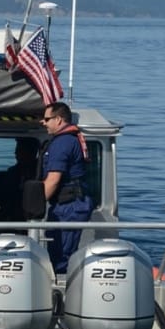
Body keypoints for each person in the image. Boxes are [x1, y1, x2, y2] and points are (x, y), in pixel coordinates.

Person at [41, 103, 93, 273]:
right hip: (67, 204)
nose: (43, 122)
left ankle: (60, 293)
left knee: (61, 256)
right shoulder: (67, 140)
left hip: (69, 206)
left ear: (59, 119)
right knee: (58, 251)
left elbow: (53, 180)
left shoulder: (63, 143)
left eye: (47, 119)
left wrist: (35, 209)